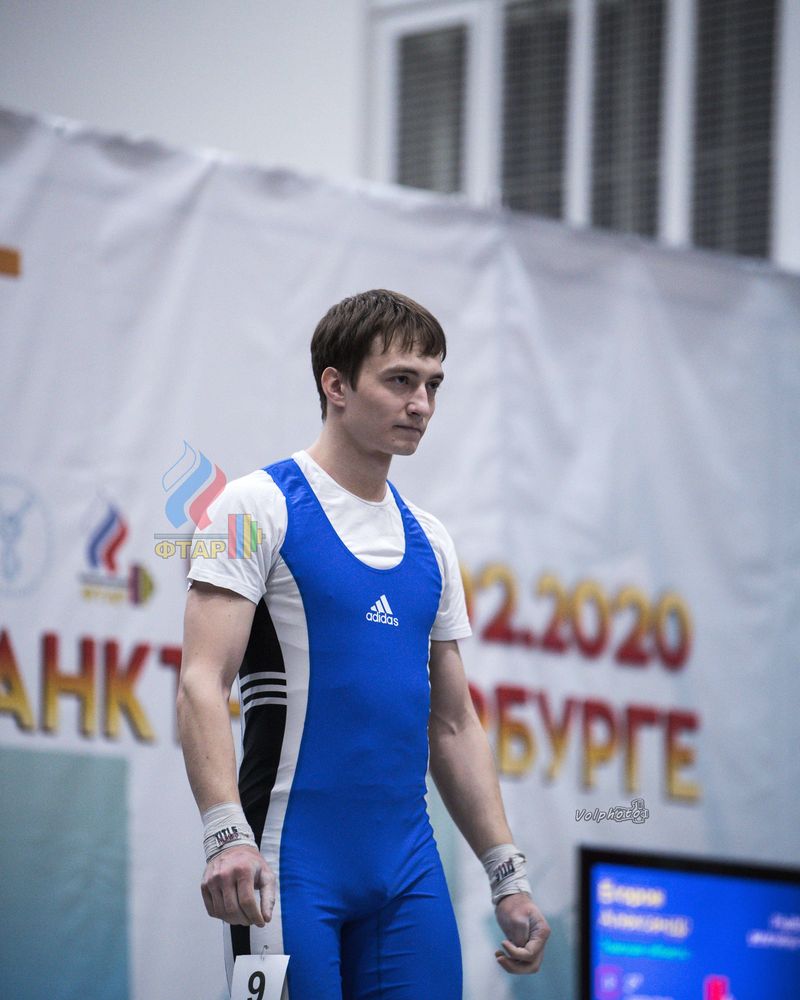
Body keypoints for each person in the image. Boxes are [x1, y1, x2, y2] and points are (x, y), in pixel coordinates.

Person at [177, 289, 550, 998]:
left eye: (433, 384)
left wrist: (508, 874)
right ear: (337, 385)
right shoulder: (253, 507)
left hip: (407, 871)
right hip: (285, 865)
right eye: (401, 380)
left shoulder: (431, 541)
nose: (422, 404)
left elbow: (454, 723)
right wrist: (225, 834)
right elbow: (202, 682)